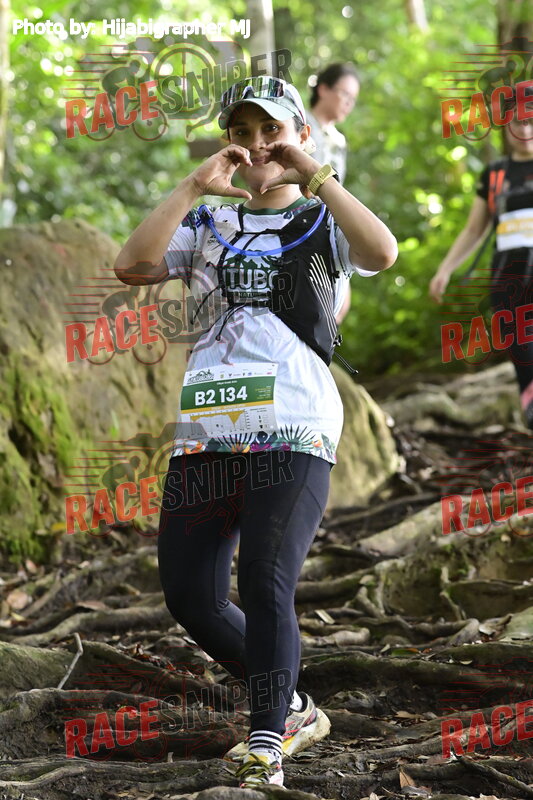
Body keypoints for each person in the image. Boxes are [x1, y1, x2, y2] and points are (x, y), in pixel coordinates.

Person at [114, 75, 397, 788]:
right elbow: (131, 265)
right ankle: (293, 705)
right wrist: (193, 185)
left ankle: (267, 742)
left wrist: (315, 173)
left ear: (300, 134)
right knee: (190, 595)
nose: (258, 143)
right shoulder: (208, 226)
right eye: (242, 131)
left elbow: (381, 252)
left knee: (266, 577)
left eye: (272, 129)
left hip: (293, 426)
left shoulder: (322, 218)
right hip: (209, 428)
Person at [429, 83, 533, 428]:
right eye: (518, 122)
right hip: (509, 279)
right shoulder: (494, 175)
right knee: (523, 356)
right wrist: (445, 270)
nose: (525, 130)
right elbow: (474, 230)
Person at [307, 63, 360, 324]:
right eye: (345, 94)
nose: (349, 103)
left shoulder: (339, 140)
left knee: (336, 308)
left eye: (353, 99)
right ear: (323, 89)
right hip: (295, 224)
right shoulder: (299, 125)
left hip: (326, 228)